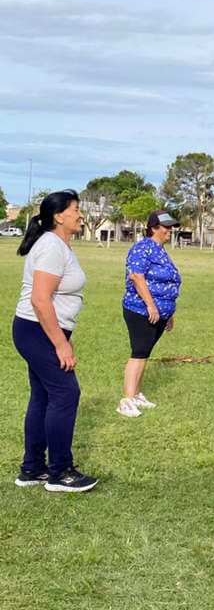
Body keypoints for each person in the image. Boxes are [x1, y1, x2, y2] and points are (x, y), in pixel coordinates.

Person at [12, 189, 99, 492]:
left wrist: (63, 338)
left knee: (44, 396)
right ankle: (60, 472)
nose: (80, 215)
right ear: (59, 216)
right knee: (65, 393)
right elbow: (40, 299)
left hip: (40, 329)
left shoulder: (58, 245)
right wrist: (61, 344)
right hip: (37, 329)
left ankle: (32, 469)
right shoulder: (51, 246)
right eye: (75, 209)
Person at [118, 210, 182, 418]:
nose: (170, 230)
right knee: (138, 352)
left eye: (171, 227)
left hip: (159, 312)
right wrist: (151, 306)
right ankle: (127, 400)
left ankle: (136, 394)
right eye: (166, 227)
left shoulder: (160, 250)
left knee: (144, 353)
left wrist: (168, 313)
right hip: (140, 310)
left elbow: (169, 282)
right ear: (154, 228)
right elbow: (137, 277)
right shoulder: (142, 248)